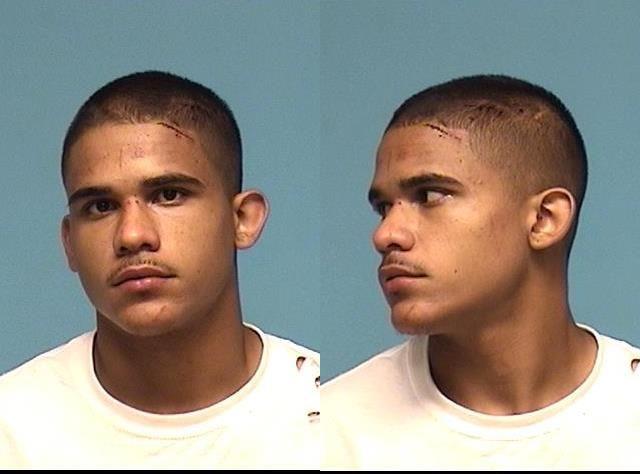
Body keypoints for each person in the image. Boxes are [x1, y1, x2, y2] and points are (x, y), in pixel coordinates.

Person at [0, 71, 319, 468]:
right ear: (69, 243)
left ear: (242, 219)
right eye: (101, 207)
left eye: (168, 195)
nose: (132, 235)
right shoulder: (11, 429)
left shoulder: (328, 416)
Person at [322, 74, 640, 469]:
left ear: (544, 219)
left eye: (430, 195)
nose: (385, 234)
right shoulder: (329, 435)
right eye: (384, 207)